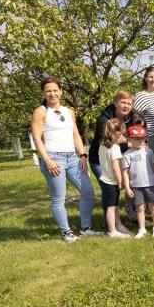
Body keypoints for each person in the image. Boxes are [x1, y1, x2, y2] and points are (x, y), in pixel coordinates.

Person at [32, 77, 97, 243]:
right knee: (58, 199)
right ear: (43, 93)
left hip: (72, 158)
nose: (52, 93)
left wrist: (82, 155)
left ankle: (85, 228)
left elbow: (76, 135)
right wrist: (47, 160)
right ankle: (66, 232)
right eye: (48, 91)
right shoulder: (40, 112)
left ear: (60, 91)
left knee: (88, 192)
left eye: (55, 90)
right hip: (53, 158)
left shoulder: (69, 111)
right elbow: (37, 139)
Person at [89, 90, 142, 183]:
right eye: (123, 102)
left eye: (129, 104)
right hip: (100, 161)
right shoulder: (104, 119)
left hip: (120, 158)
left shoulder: (134, 118)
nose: (126, 106)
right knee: (109, 189)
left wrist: (127, 142)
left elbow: (138, 137)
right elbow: (107, 142)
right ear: (115, 103)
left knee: (126, 185)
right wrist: (129, 144)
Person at [121, 125, 154, 239]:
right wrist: (128, 188)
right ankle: (142, 229)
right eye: (136, 138)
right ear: (129, 139)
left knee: (153, 206)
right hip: (136, 186)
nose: (139, 141)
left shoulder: (148, 152)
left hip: (150, 184)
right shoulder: (126, 155)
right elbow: (125, 172)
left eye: (142, 138)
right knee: (140, 208)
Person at [98, 119, 131, 238]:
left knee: (114, 205)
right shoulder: (115, 148)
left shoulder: (102, 145)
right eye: (121, 133)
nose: (122, 136)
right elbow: (116, 167)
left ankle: (118, 225)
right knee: (111, 207)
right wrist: (120, 181)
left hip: (104, 179)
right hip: (111, 182)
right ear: (115, 133)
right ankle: (112, 231)